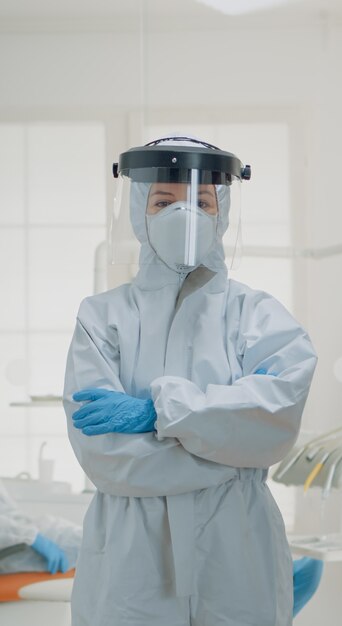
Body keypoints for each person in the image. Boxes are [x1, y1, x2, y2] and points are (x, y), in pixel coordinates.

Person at [64, 134, 318, 626]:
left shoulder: (258, 315)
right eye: (164, 201)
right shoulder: (101, 318)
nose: (184, 215)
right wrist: (228, 449)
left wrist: (158, 413)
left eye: (201, 202)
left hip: (236, 546)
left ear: (220, 211)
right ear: (140, 208)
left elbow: (276, 417)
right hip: (132, 555)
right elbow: (107, 459)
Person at [0, 480, 81, 575]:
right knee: (85, 545)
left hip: (22, 530)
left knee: (82, 538)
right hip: (14, 542)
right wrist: (31, 536)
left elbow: (8, 512)